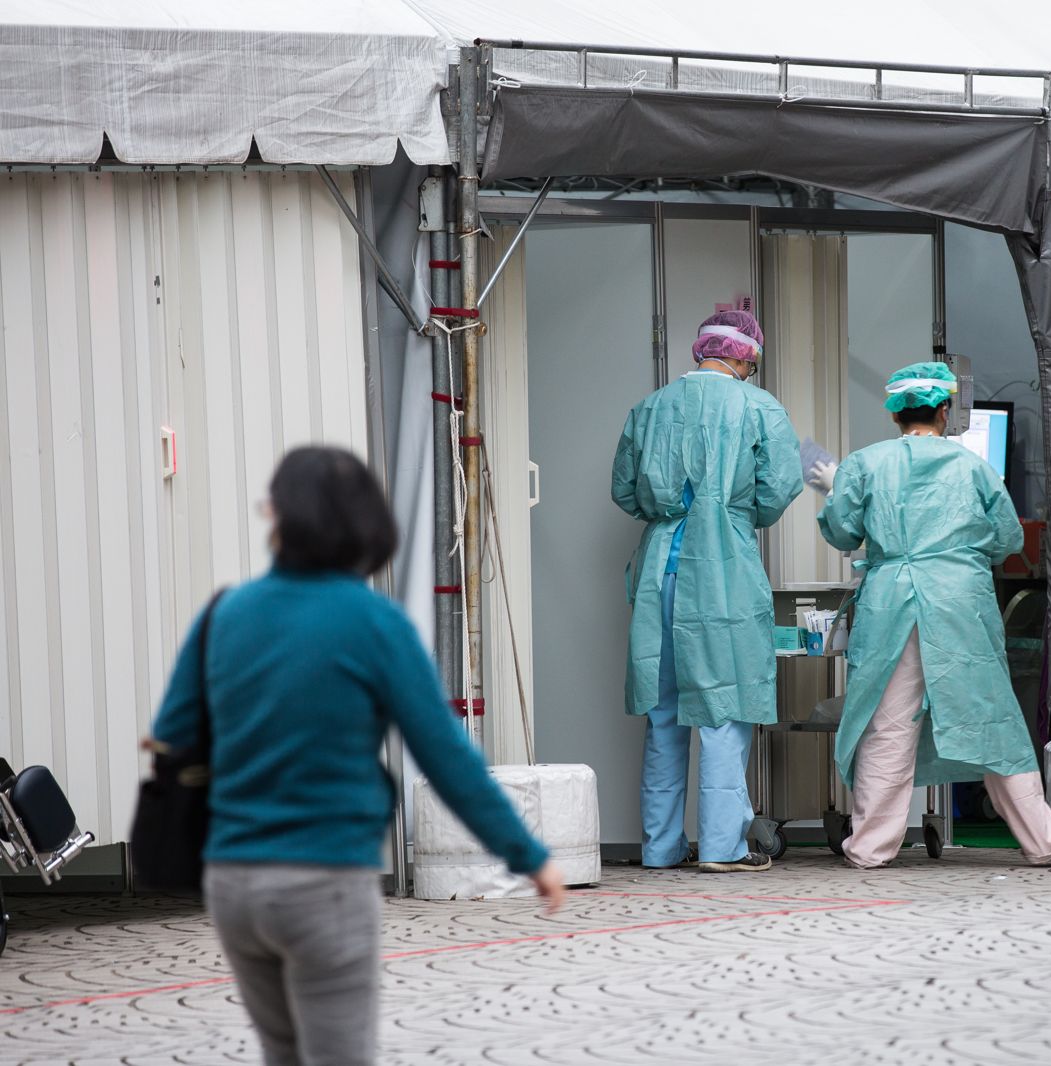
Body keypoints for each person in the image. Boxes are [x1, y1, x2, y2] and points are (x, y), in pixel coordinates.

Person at [149, 447, 564, 1066]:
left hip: (233, 881)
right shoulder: (374, 623)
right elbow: (446, 756)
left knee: (282, 1054)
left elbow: (171, 733)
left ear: (278, 517)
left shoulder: (225, 613)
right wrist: (527, 855)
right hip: (325, 879)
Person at [811, 361, 1051, 869]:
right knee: (992, 718)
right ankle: (1042, 838)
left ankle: (871, 846)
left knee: (888, 724)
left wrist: (836, 489)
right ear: (945, 412)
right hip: (960, 602)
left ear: (894, 415)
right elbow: (1007, 538)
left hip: (892, 605)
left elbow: (842, 532)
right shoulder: (972, 467)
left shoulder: (866, 464)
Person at [612, 309, 803, 874]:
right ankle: (722, 847)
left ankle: (660, 848)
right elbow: (779, 486)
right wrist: (731, 514)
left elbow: (625, 491)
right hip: (723, 567)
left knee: (664, 714)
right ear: (746, 358)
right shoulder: (759, 407)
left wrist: (669, 512)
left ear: (702, 352)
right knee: (724, 707)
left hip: (661, 571)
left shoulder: (650, 408)